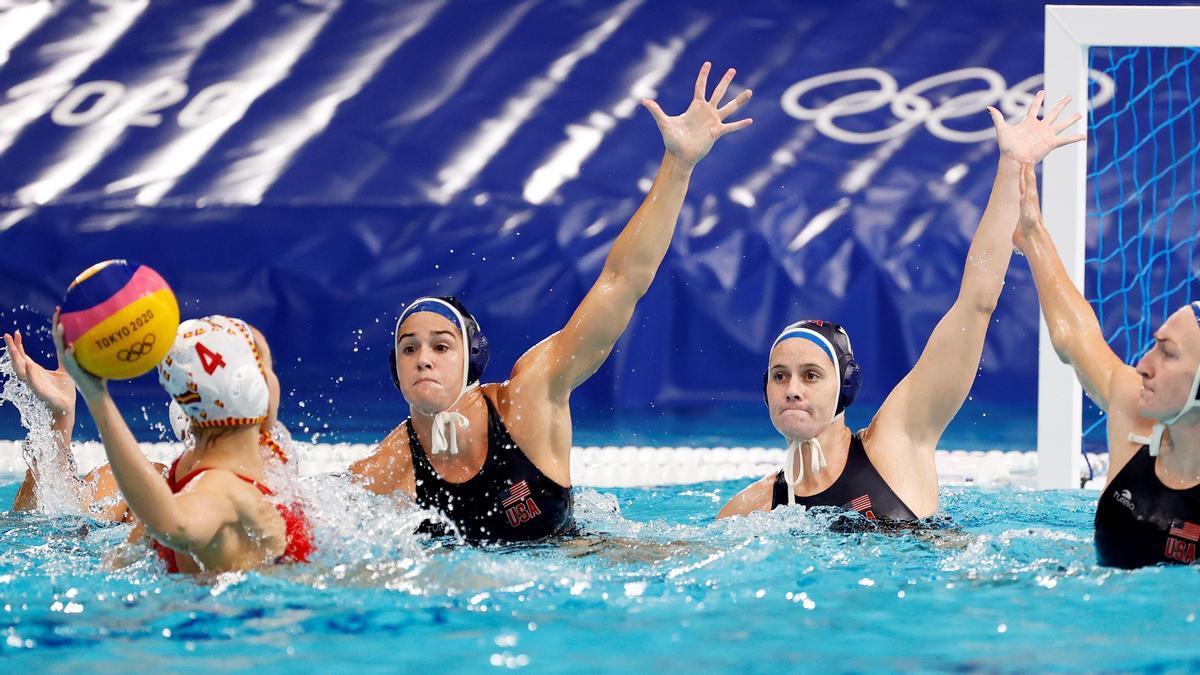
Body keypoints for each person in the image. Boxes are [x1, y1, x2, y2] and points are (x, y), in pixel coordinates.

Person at [351, 62, 754, 543]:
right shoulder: (389, 465)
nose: (423, 360)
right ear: (394, 368)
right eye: (409, 349)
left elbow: (622, 280)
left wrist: (679, 165)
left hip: (582, 563)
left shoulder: (530, 397)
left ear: (473, 358)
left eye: (441, 346)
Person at [718, 92, 1085, 522]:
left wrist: (1011, 169)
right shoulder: (752, 508)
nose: (792, 389)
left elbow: (976, 304)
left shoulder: (898, 440)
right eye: (780, 376)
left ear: (846, 386)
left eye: (811, 375)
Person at [1014, 162, 1200, 568]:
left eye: (1167, 353)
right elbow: (1075, 337)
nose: (1143, 365)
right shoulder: (1135, 416)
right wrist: (1033, 236)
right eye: (1154, 346)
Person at [51, 313, 313, 573]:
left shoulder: (184, 472)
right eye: (269, 368)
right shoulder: (222, 490)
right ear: (251, 388)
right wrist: (98, 398)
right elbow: (173, 525)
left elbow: (118, 562)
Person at [4, 329, 293, 523]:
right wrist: (60, 421)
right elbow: (39, 523)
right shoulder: (146, 487)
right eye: (265, 367)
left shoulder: (286, 493)